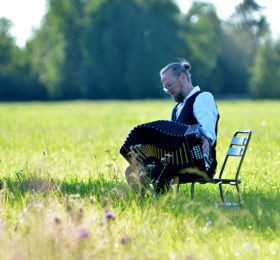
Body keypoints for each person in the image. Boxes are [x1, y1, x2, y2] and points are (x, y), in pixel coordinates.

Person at [149, 60, 219, 194]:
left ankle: (165, 206)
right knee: (140, 168)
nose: (168, 90)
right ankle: (148, 205)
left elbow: (208, 128)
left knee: (156, 171)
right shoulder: (176, 109)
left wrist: (207, 139)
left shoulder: (202, 98)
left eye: (169, 85)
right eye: (165, 87)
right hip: (177, 162)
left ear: (182, 77)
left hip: (200, 165)